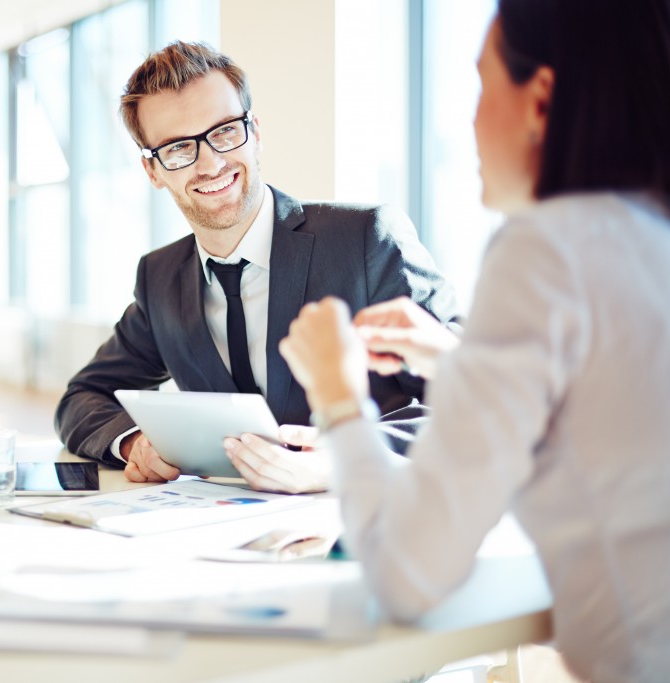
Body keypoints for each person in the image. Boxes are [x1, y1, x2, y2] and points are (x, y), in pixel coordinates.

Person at [265, 0, 670, 680]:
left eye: (482, 85)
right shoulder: (643, 239)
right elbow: (618, 397)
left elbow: (407, 573)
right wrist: (458, 360)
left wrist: (337, 396)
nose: (471, 118)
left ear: (541, 101)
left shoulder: (545, 251)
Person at [55, 41, 460, 493]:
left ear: (256, 132)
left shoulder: (366, 239)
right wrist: (134, 443)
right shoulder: (160, 278)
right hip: (222, 536)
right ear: (154, 172)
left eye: (225, 132)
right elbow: (82, 398)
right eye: (177, 148)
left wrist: (352, 456)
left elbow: (472, 389)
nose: (210, 163)